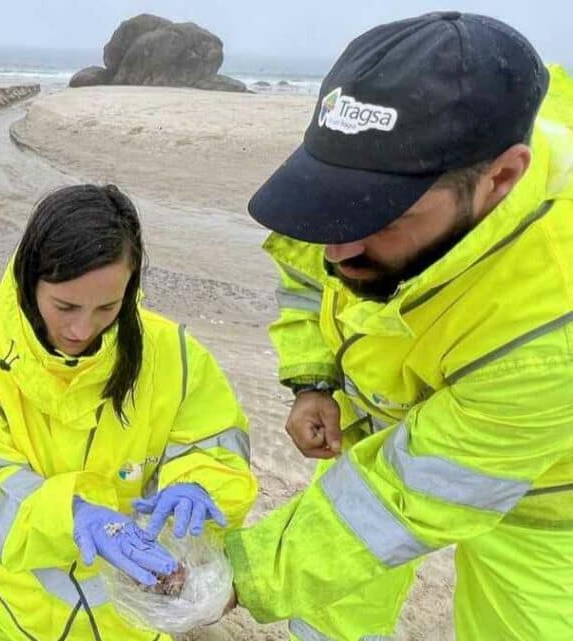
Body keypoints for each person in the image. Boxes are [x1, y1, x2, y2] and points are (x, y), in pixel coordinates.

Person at [224, 12, 573, 641]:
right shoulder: (361, 176)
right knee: (328, 612)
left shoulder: (552, 324)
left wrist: (239, 578)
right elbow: (308, 276)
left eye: (382, 218)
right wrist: (312, 379)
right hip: (374, 425)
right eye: (333, 208)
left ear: (501, 178)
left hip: (546, 500)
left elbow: (411, 493)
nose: (337, 250)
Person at [0, 184, 257, 640]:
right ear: (30, 281)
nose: (82, 328)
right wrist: (75, 514)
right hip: (24, 621)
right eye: (64, 306)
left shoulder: (174, 355)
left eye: (108, 306)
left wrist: (199, 482)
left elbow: (216, 444)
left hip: (138, 625)